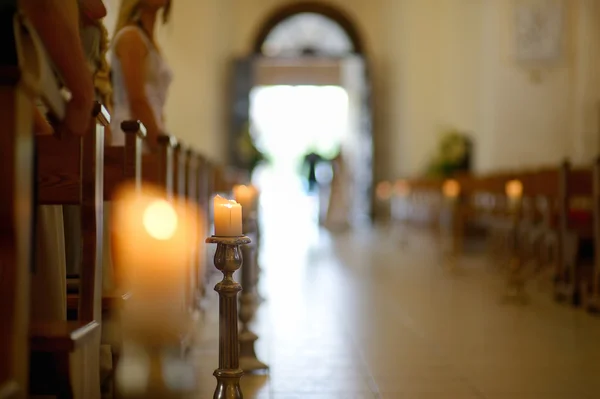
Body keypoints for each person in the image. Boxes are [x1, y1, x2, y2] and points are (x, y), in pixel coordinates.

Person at [110, 0, 173, 150]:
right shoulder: (131, 37)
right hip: (133, 134)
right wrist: (158, 148)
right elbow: (137, 101)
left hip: (150, 132)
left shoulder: (150, 43)